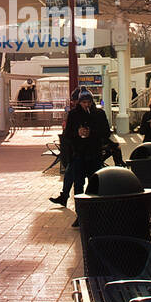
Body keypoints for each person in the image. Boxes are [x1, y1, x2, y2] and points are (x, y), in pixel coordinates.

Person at [50, 88, 112, 226]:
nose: (86, 105)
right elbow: (67, 135)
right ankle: (81, 214)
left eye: (88, 102)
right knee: (78, 185)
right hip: (79, 154)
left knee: (95, 184)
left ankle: (94, 212)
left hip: (94, 154)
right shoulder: (74, 115)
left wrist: (92, 133)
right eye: (83, 102)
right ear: (79, 102)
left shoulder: (98, 114)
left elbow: (106, 132)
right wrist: (77, 133)